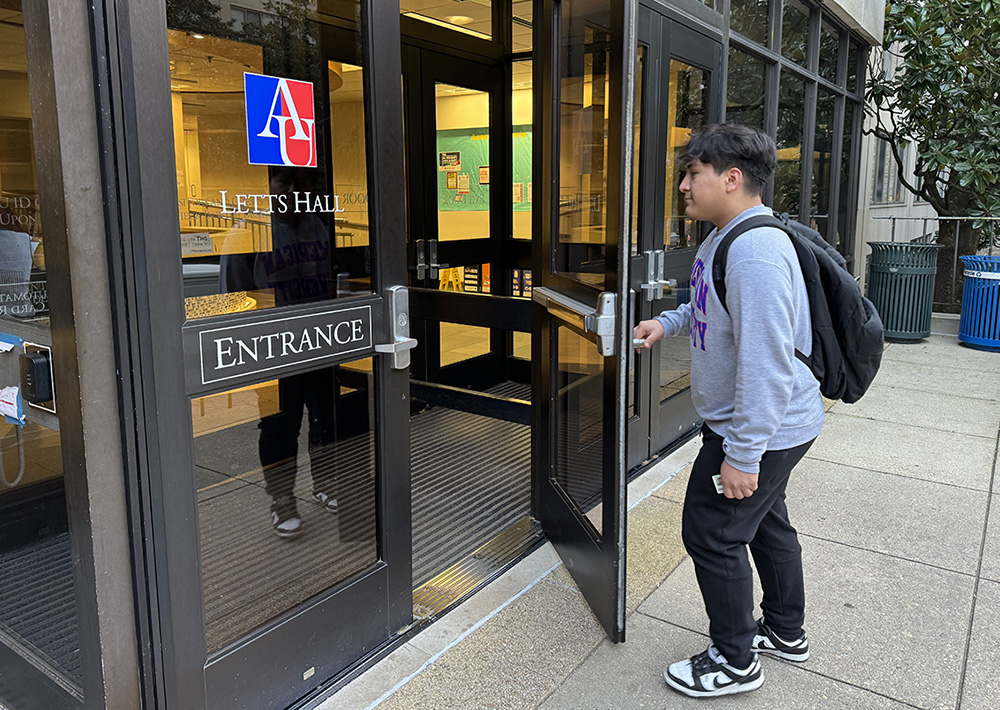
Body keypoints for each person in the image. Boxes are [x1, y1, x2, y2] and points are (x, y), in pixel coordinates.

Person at [633, 123, 825, 698]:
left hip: (759, 428)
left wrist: (743, 455)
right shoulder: (725, 237)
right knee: (766, 524)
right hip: (761, 424)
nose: (685, 186)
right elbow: (709, 308)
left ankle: (735, 659)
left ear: (732, 178)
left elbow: (767, 361)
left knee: (712, 534)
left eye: (693, 174)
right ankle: (786, 631)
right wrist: (663, 323)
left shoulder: (756, 250)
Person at [220, 167, 339, 539]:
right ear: (267, 187)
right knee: (279, 427)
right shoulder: (248, 230)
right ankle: (281, 499)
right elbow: (234, 296)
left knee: (326, 418)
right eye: (282, 183)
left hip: (321, 342)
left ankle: (327, 482)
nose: (292, 190)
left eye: (299, 183)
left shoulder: (317, 223)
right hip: (274, 350)